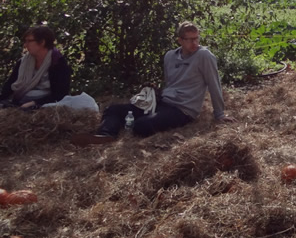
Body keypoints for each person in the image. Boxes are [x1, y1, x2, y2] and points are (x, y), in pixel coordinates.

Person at [71, 22, 233, 145]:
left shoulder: (204, 56)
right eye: (189, 40)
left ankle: (128, 126)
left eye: (196, 38)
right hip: (163, 102)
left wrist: (219, 114)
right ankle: (106, 135)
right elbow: (171, 84)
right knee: (113, 109)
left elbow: (214, 84)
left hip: (183, 110)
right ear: (179, 40)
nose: (194, 43)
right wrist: (155, 92)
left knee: (141, 126)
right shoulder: (170, 56)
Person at [1, 26, 71, 109]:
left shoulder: (57, 63)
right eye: (25, 41)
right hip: (21, 101)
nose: (25, 45)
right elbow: (10, 85)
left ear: (42, 42)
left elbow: (60, 94)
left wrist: (34, 103)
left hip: (46, 104)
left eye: (29, 41)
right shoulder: (24, 62)